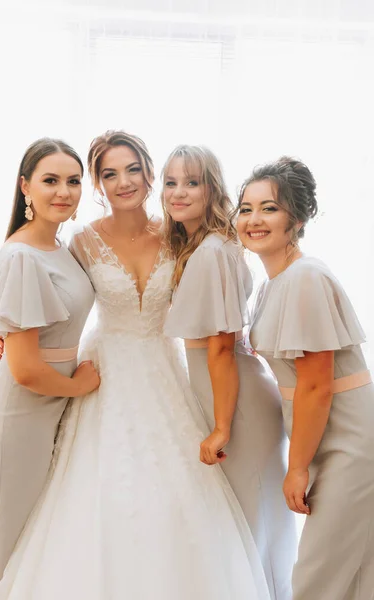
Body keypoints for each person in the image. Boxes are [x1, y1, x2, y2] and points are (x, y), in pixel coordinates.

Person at [0, 131, 270, 600]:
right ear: (97, 183)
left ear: (150, 173)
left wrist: (246, 334)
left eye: (133, 170)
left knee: (174, 492)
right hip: (103, 372)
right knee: (102, 488)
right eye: (110, 174)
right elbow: (54, 290)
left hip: (163, 368)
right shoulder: (80, 241)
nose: (124, 182)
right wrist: (6, 328)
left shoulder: (178, 233)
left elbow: (218, 284)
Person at [236, 156, 374, 600]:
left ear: (295, 218)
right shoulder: (271, 284)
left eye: (269, 208)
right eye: (245, 208)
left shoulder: (305, 279)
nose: (254, 219)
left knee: (317, 578)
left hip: (350, 443)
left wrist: (296, 468)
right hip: (325, 440)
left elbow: (316, 384)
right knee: (354, 577)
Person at [163, 144, 297, 600]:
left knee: (251, 522)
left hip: (236, 400)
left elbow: (220, 347)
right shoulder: (201, 246)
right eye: (170, 182)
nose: (178, 192)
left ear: (211, 189)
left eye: (192, 182)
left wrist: (222, 426)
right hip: (226, 390)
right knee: (244, 523)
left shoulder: (214, 252)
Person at [0, 138, 99, 600]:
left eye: (73, 181)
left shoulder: (59, 247)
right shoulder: (22, 255)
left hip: (50, 408)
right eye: (50, 180)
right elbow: (24, 370)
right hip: (21, 415)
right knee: (4, 545)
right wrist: (79, 386)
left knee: (35, 542)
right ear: (25, 186)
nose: (64, 191)